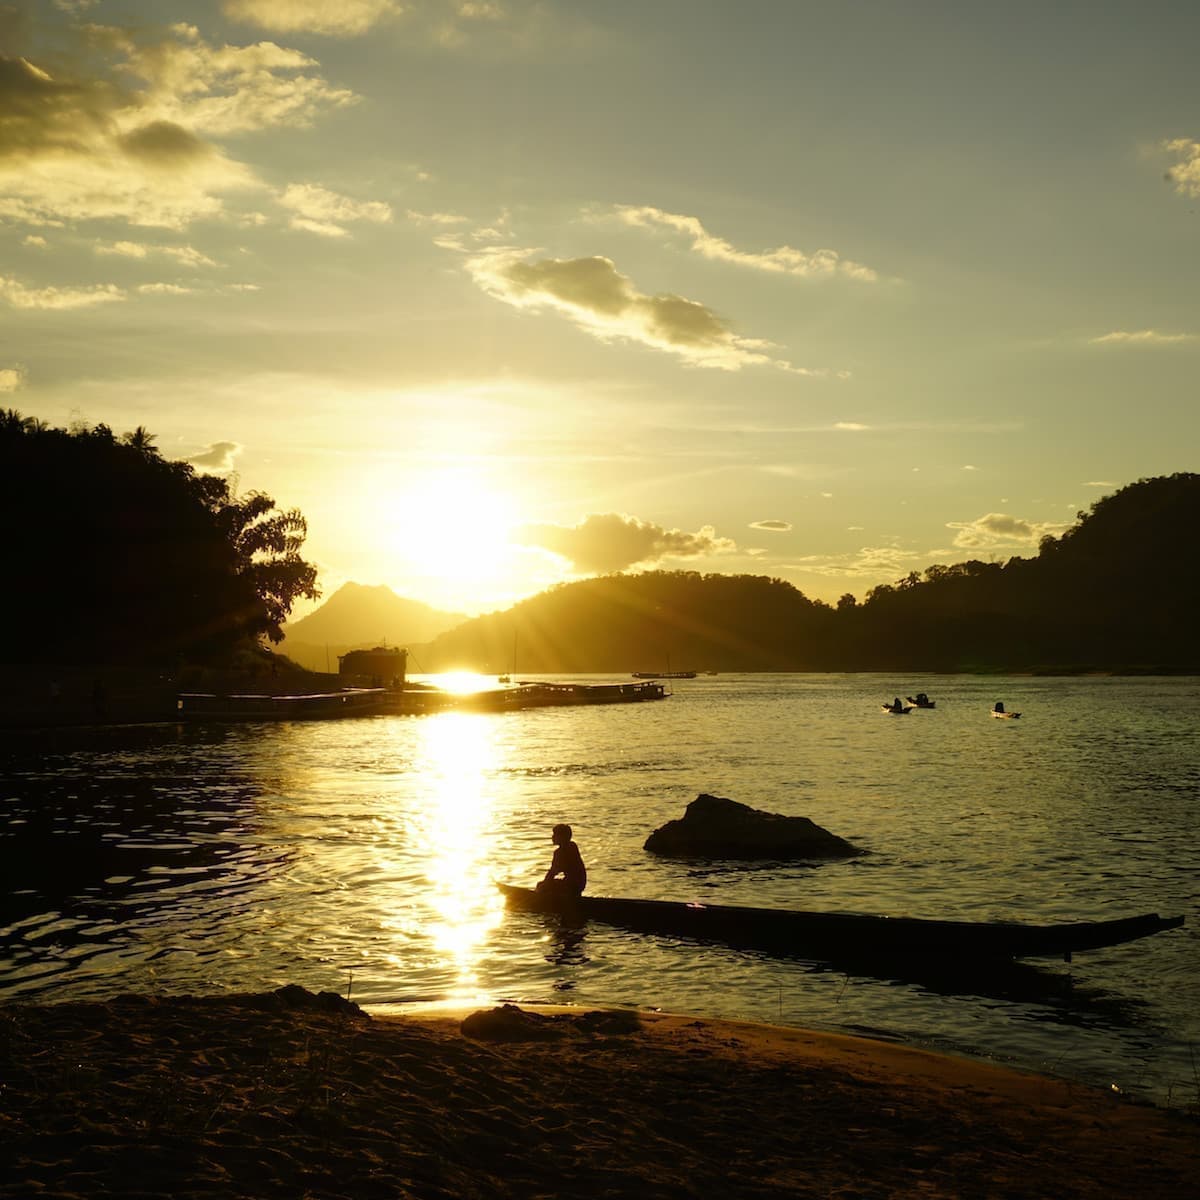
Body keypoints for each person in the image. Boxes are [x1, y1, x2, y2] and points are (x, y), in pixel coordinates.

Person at [537, 824, 587, 899]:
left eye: (555, 835)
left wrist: (544, 884)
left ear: (562, 837)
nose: (552, 837)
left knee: (541, 885)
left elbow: (553, 872)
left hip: (572, 885)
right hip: (580, 885)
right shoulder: (572, 846)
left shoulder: (560, 852)